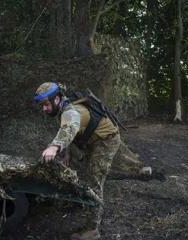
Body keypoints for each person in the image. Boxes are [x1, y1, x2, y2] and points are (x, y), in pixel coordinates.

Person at [34, 82, 121, 240]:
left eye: (46, 104)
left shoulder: (72, 112)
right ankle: (83, 205)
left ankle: (92, 229)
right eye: (42, 105)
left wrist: (55, 147)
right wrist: (66, 153)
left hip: (106, 141)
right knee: (82, 173)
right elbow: (66, 129)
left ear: (57, 99)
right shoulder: (62, 109)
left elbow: (70, 127)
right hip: (89, 140)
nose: (44, 109)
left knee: (94, 180)